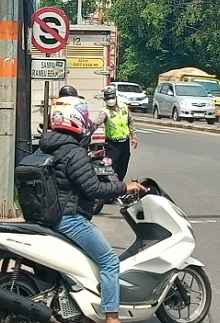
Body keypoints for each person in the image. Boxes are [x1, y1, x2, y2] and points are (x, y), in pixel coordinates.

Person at [39, 101, 145, 323]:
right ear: (76, 121)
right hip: (68, 218)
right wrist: (125, 187)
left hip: (48, 215)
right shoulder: (73, 152)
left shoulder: (45, 147)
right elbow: (93, 188)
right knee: (109, 261)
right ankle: (112, 317)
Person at [93, 86, 138, 182]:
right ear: (105, 99)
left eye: (112, 97)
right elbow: (98, 121)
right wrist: (90, 128)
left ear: (116, 97)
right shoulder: (105, 111)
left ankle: (119, 185)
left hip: (125, 143)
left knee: (123, 167)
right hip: (112, 145)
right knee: (111, 168)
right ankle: (112, 187)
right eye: (108, 98)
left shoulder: (124, 107)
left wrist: (134, 136)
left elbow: (130, 121)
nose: (111, 100)